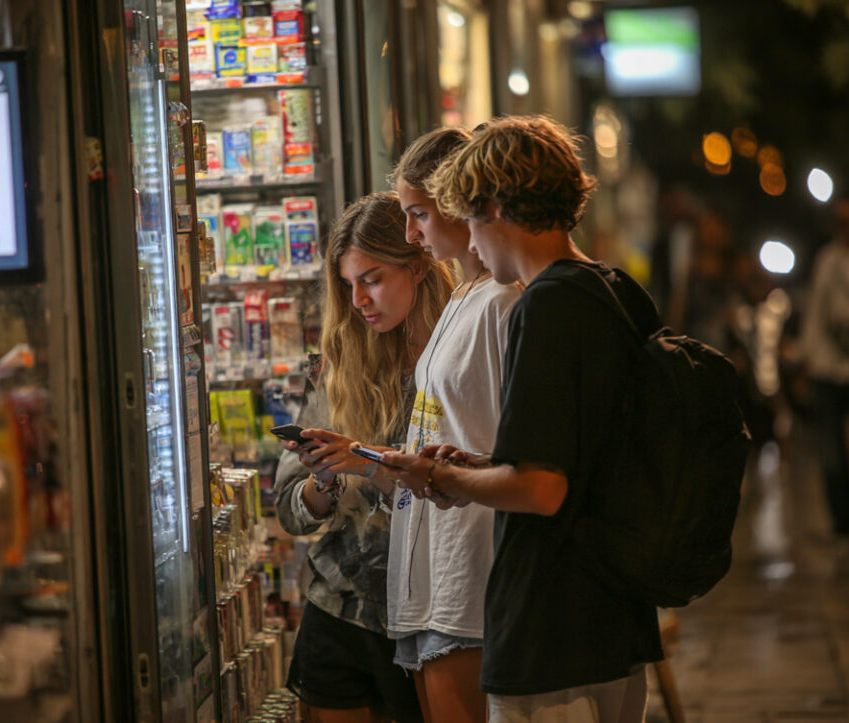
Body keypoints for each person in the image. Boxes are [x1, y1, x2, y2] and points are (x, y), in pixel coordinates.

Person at [382, 115, 664, 722]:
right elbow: (580, 456)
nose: (474, 245)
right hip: (613, 614)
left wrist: (443, 479)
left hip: (553, 624)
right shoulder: (612, 289)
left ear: (498, 208)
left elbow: (542, 488)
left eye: (470, 217)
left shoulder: (546, 306)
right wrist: (483, 465)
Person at [274, 191, 453, 723]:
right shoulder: (338, 362)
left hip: (436, 613)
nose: (358, 300)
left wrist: (367, 461)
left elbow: (467, 491)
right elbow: (288, 510)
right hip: (341, 606)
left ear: (418, 267)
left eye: (371, 279)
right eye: (347, 285)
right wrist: (324, 477)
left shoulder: (460, 352)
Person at [388, 127, 522, 722]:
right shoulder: (465, 293)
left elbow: (511, 441)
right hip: (434, 553)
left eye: (418, 214)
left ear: (452, 201)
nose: (412, 233)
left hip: (472, 558)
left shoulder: (504, 300)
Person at [801, 197, 849, 537]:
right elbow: (814, 312)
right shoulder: (826, 260)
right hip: (829, 366)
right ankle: (843, 522)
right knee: (830, 451)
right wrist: (808, 359)